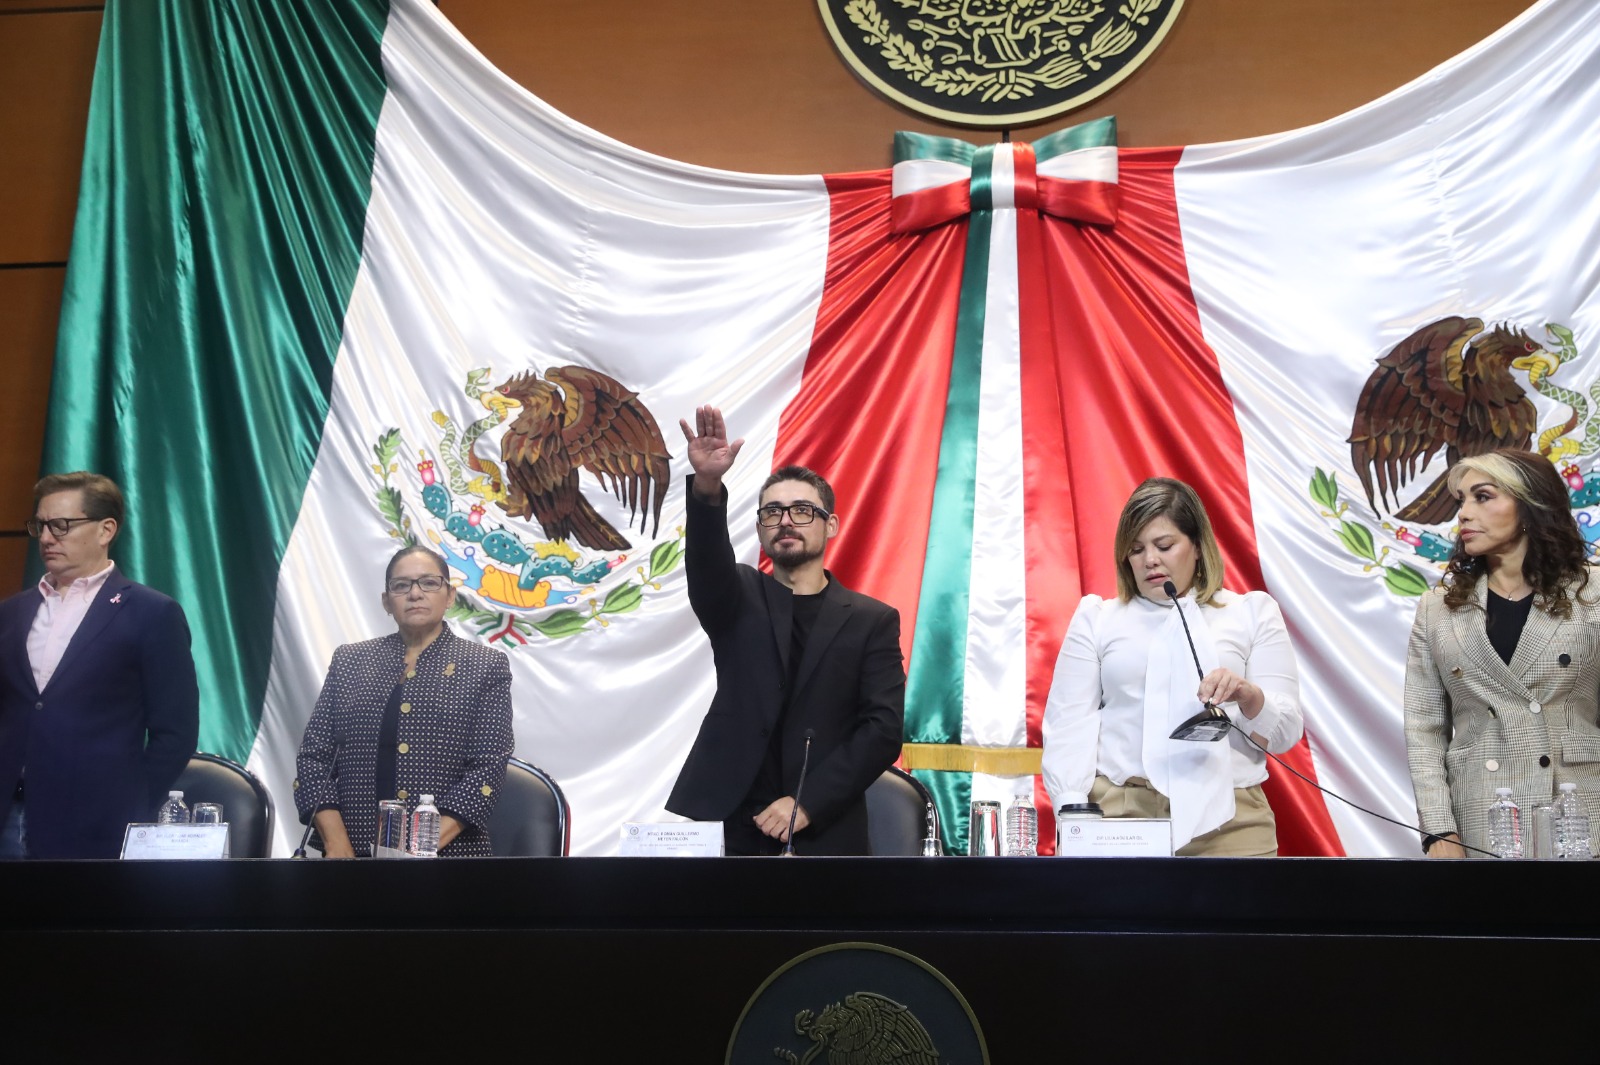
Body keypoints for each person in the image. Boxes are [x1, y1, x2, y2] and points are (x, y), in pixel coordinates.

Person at [668, 405, 904, 855]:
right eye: (773, 512)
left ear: (831, 525)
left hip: (824, 829)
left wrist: (807, 802)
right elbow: (706, 560)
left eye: (802, 510)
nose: (786, 521)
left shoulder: (872, 620)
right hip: (729, 823)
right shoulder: (736, 595)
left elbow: (882, 729)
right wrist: (707, 486)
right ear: (761, 530)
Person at [1041, 478, 1304, 856]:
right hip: (1121, 817)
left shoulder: (1251, 613)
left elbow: (1286, 732)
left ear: (1197, 546)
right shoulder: (1097, 618)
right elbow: (1068, 726)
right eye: (1136, 550)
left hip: (1231, 821)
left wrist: (1248, 696)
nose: (1150, 560)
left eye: (1164, 546)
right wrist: (1074, 819)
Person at [1405, 448, 1600, 859]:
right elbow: (1424, 730)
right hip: (1482, 815)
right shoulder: (1438, 608)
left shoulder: (1593, 594)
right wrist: (1438, 830)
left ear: (1529, 505)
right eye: (1461, 500)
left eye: (1483, 496)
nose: (1464, 513)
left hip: (1582, 814)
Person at [0, 472, 199, 859]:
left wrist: (128, 803)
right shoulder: (11, 613)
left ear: (106, 529)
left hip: (95, 829)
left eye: (61, 525)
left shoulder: (151, 613)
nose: (46, 538)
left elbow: (176, 732)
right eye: (40, 526)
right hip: (8, 816)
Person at [293, 545, 514, 857]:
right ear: (386, 601)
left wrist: (419, 849)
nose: (415, 593)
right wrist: (336, 843)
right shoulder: (350, 661)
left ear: (450, 596)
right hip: (349, 856)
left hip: (447, 858)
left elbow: (487, 769)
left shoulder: (484, 665)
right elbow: (314, 760)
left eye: (429, 583)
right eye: (401, 585)